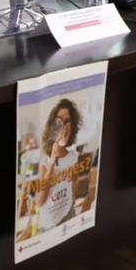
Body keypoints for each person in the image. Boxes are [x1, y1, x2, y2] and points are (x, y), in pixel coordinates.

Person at [32, 98, 86, 233]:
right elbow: (39, 202)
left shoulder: (73, 156)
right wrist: (52, 161)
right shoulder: (45, 161)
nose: (63, 126)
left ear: (72, 126)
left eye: (67, 121)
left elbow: (75, 179)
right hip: (48, 226)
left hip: (69, 215)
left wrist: (72, 199)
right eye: (59, 122)